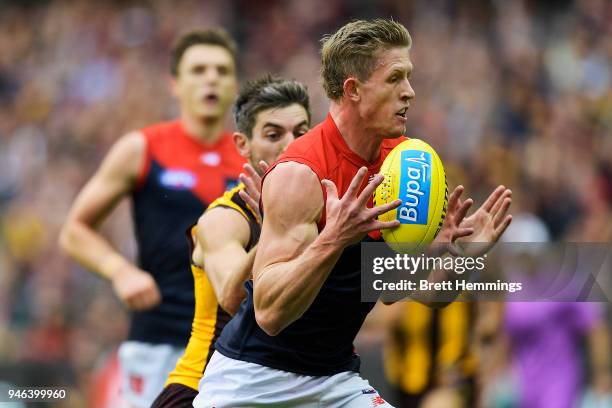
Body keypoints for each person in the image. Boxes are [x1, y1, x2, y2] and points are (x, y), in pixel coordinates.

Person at [194, 19, 512, 407]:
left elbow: (413, 292)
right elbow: (269, 313)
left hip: (333, 380)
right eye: (395, 78)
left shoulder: (401, 163)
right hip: (255, 379)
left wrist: (460, 258)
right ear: (353, 90)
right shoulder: (302, 174)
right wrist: (334, 238)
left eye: (409, 77)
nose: (409, 92)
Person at [59, 28, 243, 407]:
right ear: (175, 84)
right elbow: (74, 230)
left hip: (232, 346)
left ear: (234, 84)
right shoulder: (143, 148)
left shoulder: (251, 160)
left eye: (222, 70)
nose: (211, 78)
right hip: (159, 338)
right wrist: (119, 270)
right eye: (199, 70)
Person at [150, 76, 311, 407]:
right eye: (273, 134)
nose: (290, 144)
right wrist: (274, 232)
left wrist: (440, 256)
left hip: (284, 388)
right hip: (203, 389)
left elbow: (392, 291)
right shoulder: (223, 219)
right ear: (242, 144)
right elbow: (231, 295)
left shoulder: (328, 209)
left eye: (301, 132)